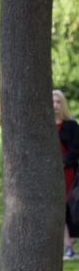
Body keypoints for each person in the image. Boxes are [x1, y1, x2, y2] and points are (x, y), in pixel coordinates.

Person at [53, 90, 79, 258]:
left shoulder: (71, 126)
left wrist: (64, 161)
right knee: (59, 208)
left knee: (74, 206)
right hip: (52, 175)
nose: (55, 105)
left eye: (58, 102)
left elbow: (76, 147)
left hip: (69, 172)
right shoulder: (44, 127)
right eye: (52, 102)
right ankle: (67, 246)